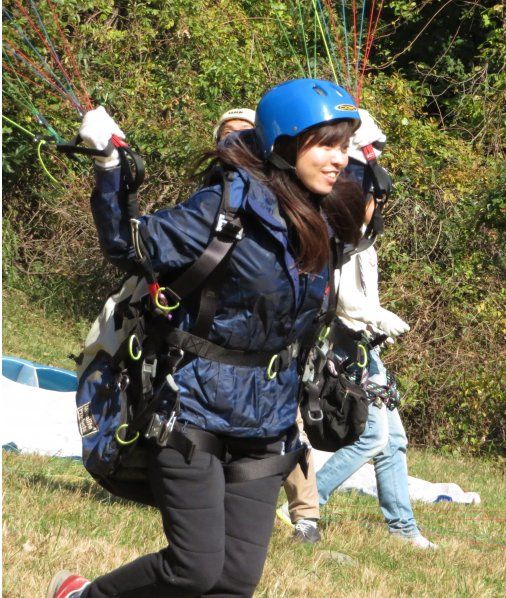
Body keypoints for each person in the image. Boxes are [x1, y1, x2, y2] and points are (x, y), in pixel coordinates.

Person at [47, 78, 361, 598]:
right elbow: (128, 245)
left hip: (268, 419)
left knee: (235, 580)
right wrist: (107, 168)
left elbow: (369, 194)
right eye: (327, 144)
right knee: (193, 569)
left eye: (345, 146)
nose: (339, 160)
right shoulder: (224, 208)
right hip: (192, 407)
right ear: (284, 144)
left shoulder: (326, 214)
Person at [313, 109, 437, 550]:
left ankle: (403, 529)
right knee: (374, 436)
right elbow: (337, 292)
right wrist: (373, 317)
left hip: (364, 341)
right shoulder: (338, 231)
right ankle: (307, 503)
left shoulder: (362, 238)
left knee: (395, 441)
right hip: (344, 340)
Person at [214, 108, 325, 545]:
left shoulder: (292, 205)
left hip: (276, 349)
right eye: (228, 137)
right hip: (224, 346)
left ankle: (306, 514)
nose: (235, 145)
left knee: (285, 428)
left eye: (244, 137)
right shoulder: (214, 200)